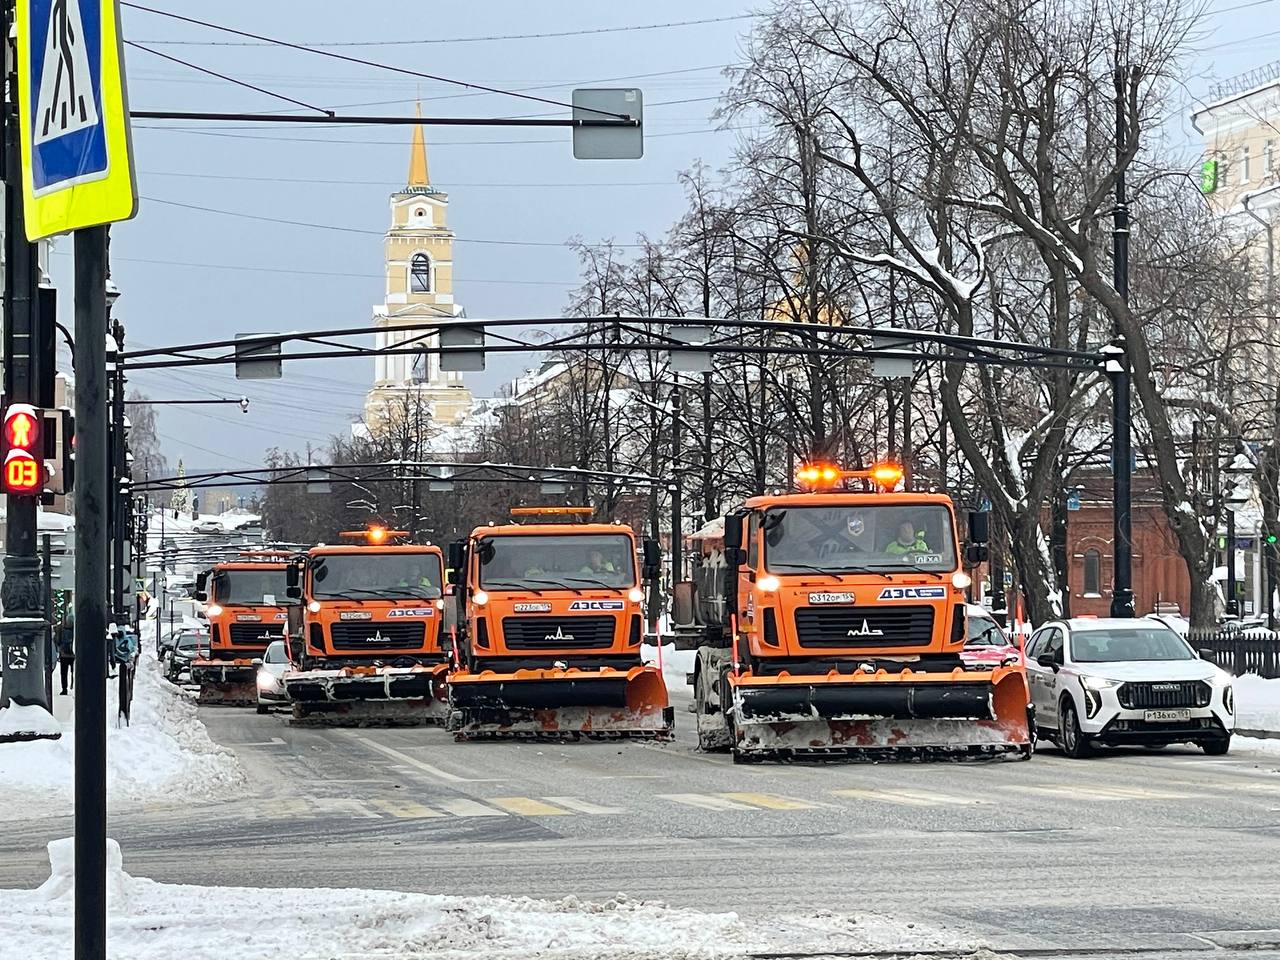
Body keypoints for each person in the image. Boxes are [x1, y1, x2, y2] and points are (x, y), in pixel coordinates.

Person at [56, 613, 75, 695]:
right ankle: (74, 685)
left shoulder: (62, 629)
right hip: (73, 654)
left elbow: (57, 640)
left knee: (64, 673)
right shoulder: (76, 630)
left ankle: (64, 689)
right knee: (74, 671)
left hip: (64, 655)